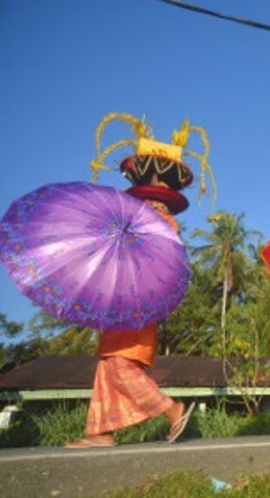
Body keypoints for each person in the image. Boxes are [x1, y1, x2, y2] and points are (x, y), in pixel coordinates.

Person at [66, 114, 216, 447]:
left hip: (137, 304)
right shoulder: (141, 221)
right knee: (109, 367)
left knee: (120, 366)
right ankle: (100, 432)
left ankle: (171, 409)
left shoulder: (158, 224)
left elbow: (152, 266)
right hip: (122, 302)